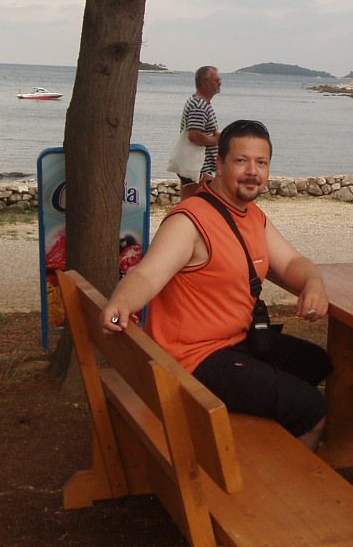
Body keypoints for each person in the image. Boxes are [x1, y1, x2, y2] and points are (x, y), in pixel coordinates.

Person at [101, 119, 331, 450]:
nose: (252, 171)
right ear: (220, 164)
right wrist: (122, 301)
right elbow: (146, 276)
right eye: (241, 161)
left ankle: (259, 438)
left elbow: (292, 262)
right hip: (192, 361)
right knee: (312, 410)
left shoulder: (252, 215)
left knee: (316, 362)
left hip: (233, 342)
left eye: (261, 162)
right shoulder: (190, 220)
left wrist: (313, 283)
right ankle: (273, 474)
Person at [176, 66, 222, 199]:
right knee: (215, 199)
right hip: (198, 168)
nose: (220, 82)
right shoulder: (199, 105)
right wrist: (216, 140)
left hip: (193, 167)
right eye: (216, 80)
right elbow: (194, 135)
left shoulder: (198, 102)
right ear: (205, 83)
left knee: (189, 204)